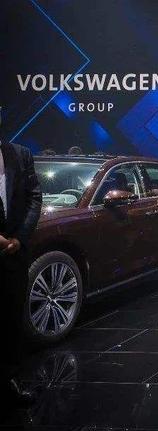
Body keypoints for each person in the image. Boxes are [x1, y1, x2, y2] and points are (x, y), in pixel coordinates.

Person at [1, 120, 43, 407]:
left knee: (11, 319)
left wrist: (18, 238)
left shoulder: (19, 153)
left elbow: (34, 197)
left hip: (14, 251)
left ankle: (11, 382)